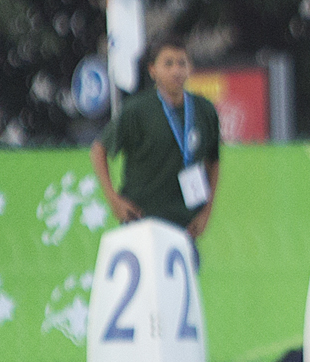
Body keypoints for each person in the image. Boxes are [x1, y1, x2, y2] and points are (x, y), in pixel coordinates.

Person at [90, 40, 220, 242]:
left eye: (182, 63)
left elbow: (213, 161)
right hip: (141, 220)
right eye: (168, 64)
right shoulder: (137, 109)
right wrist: (114, 200)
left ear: (190, 68)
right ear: (153, 70)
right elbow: (98, 150)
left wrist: (206, 212)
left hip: (186, 224)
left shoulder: (204, 110)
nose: (176, 71)